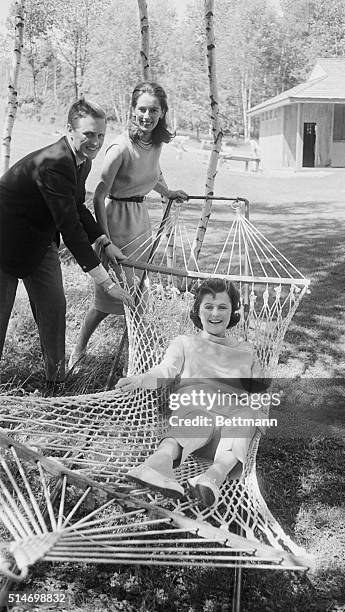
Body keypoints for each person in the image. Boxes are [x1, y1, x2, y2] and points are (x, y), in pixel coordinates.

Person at [0, 98, 133, 390]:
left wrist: (103, 239)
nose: (96, 141)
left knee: (54, 308)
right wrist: (105, 281)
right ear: (70, 130)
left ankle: (55, 382)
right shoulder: (55, 163)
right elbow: (69, 226)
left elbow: (77, 207)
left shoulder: (81, 161)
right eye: (88, 134)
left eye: (100, 134)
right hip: (4, 243)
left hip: (39, 241)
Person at [116, 278, 270, 508]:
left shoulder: (247, 351)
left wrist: (259, 409)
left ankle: (210, 479)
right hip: (192, 428)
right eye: (208, 306)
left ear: (233, 312)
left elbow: (259, 391)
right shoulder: (184, 343)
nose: (215, 313)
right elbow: (166, 370)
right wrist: (141, 378)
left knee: (246, 415)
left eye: (222, 307)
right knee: (200, 416)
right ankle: (157, 465)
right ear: (198, 311)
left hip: (227, 439)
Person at [69, 82, 189, 369]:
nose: (147, 115)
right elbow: (98, 195)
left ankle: (134, 358)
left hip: (139, 218)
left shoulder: (156, 143)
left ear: (162, 113)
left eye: (154, 110)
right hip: (116, 221)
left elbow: (152, 173)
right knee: (109, 297)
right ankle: (78, 351)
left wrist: (167, 192)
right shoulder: (120, 147)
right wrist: (104, 240)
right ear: (132, 111)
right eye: (142, 109)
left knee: (137, 291)